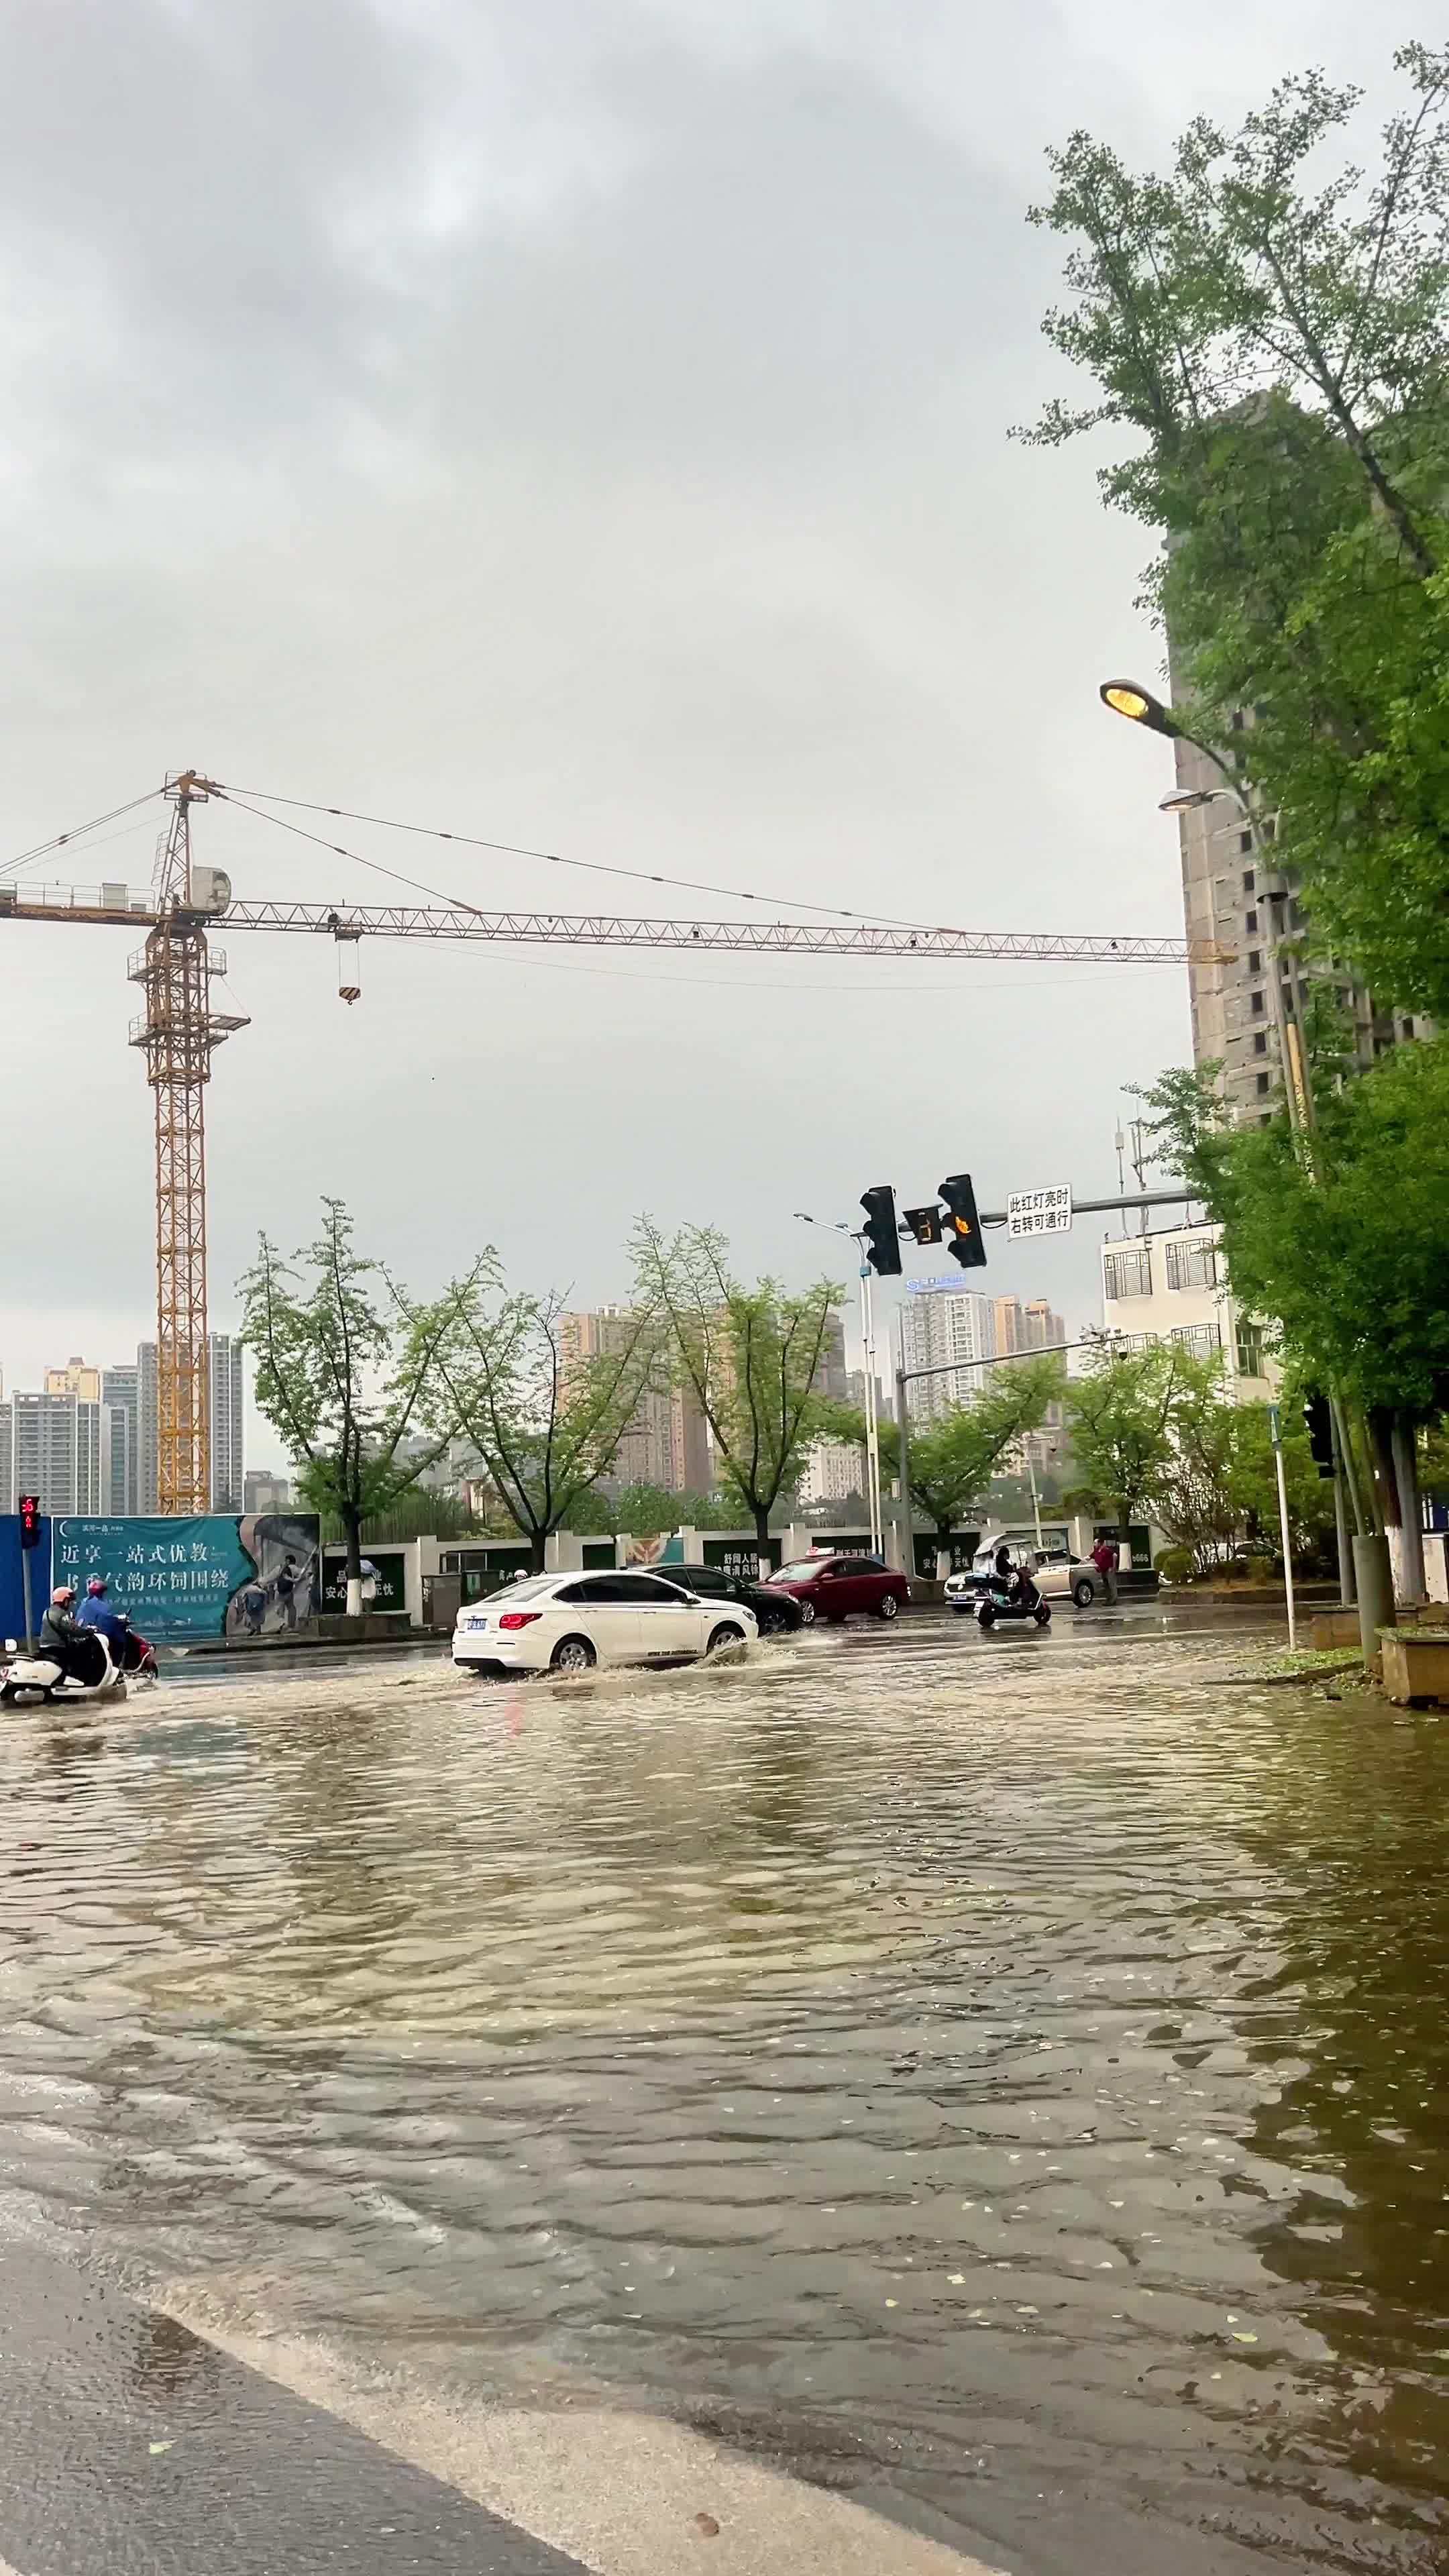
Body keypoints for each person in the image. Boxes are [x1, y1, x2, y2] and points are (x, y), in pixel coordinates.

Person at [38, 1585, 107, 1686]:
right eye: (69, 1601)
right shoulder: (61, 1613)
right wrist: (88, 1632)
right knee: (83, 1655)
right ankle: (83, 1681)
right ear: (64, 1600)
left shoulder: (47, 1612)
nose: (70, 1604)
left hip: (45, 1647)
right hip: (57, 1648)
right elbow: (72, 1629)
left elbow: (65, 1629)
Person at [78, 1574, 129, 1655]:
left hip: (84, 1636)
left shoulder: (85, 1601)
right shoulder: (98, 1603)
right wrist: (119, 1619)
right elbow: (107, 1620)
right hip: (93, 1638)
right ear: (101, 1592)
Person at [1091, 1534, 1120, 1605]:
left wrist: (1113, 1566)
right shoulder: (1096, 1551)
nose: (1094, 1545)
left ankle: (1114, 1600)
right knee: (1106, 1585)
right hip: (1103, 1571)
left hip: (1109, 1570)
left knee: (1111, 1585)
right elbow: (1089, 1557)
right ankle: (1108, 1600)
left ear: (1099, 1543)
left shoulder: (1105, 1549)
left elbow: (1115, 1555)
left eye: (1095, 1543)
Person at [274, 1554, 301, 1630]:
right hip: (289, 1591)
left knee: (280, 1609)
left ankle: (282, 1624)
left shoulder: (288, 1567)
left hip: (281, 1593)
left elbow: (276, 1577)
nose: (284, 1562)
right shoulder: (294, 1568)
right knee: (291, 1607)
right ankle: (291, 1625)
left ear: (288, 1561)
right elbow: (303, 1575)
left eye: (285, 1560)